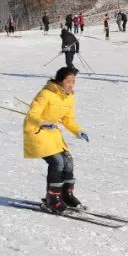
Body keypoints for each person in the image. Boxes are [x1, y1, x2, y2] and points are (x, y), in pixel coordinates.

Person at [23, 66, 89, 213]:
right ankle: (52, 200)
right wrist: (44, 122)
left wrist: (78, 131)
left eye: (73, 81)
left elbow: (68, 119)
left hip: (53, 134)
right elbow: (32, 114)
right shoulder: (46, 93)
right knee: (57, 162)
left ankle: (66, 195)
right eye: (68, 81)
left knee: (68, 161)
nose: (71, 84)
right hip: (37, 131)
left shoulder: (70, 97)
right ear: (60, 81)